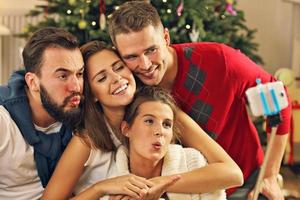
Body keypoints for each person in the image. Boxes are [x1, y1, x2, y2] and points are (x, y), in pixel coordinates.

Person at [108, 1, 292, 199]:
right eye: (131, 56)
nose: (145, 64)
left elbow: (278, 96)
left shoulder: (220, 60)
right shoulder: (129, 89)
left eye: (151, 50)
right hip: (183, 191)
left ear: (166, 38)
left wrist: (270, 175)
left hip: (246, 183)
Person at [43, 40, 242, 199]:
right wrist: (100, 188)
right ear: (92, 94)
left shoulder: (161, 110)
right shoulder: (87, 141)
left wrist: (157, 184)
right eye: (102, 78)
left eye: (119, 67)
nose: (117, 79)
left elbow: (232, 173)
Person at [0, 27, 84, 199]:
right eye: (62, 76)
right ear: (33, 82)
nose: (76, 87)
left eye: (80, 74)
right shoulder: (4, 122)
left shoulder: (79, 113)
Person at [111, 85, 226, 200]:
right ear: (126, 129)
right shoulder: (111, 180)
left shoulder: (192, 162)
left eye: (166, 124)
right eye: (149, 121)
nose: (160, 131)